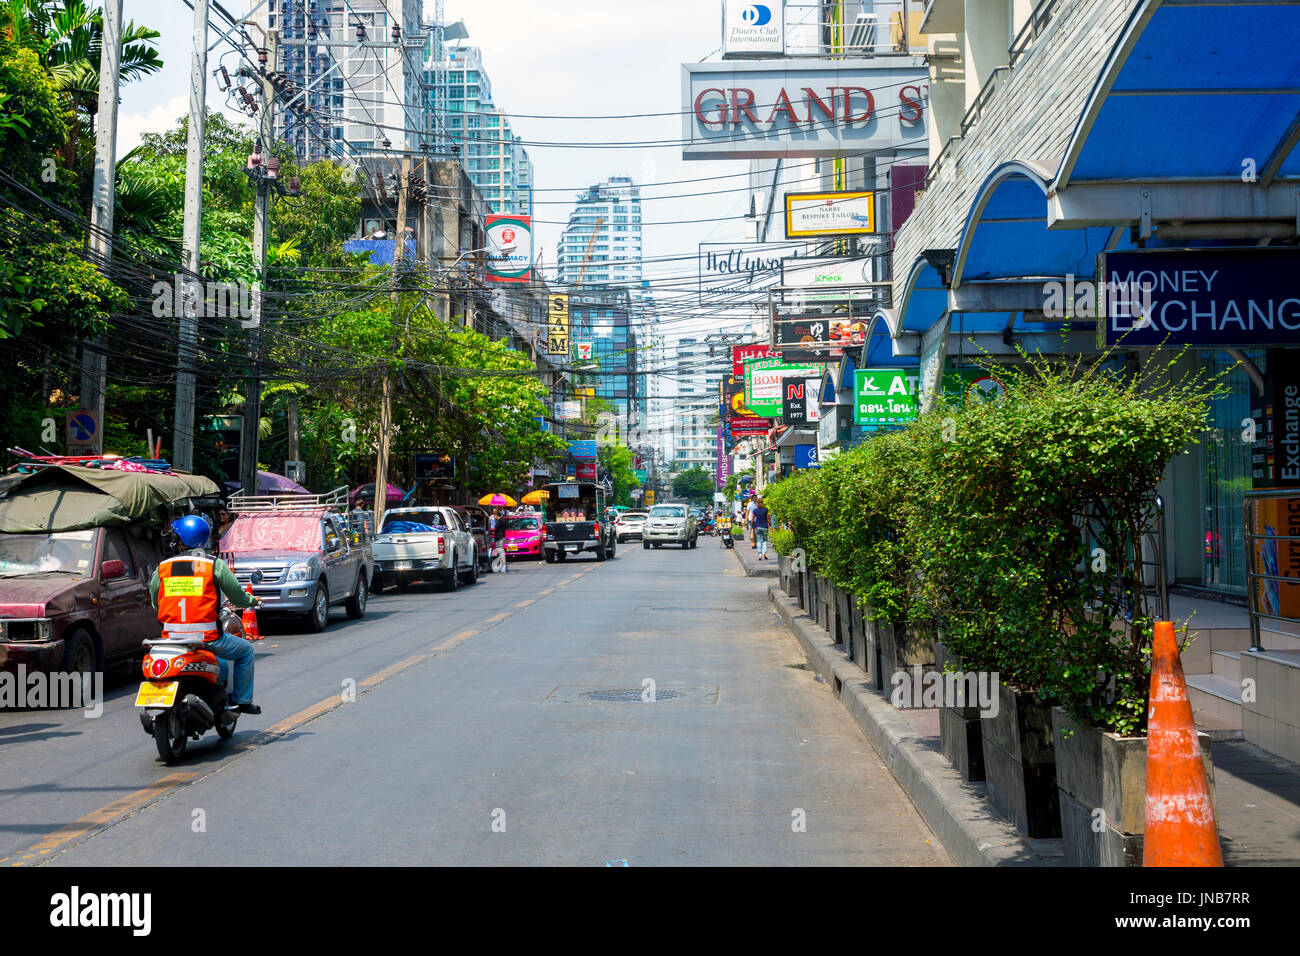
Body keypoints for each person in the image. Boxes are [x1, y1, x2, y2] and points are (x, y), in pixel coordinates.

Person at [150, 514, 263, 714]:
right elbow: (237, 597)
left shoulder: (163, 567)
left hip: (171, 639)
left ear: (180, 540)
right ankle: (242, 700)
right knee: (246, 651)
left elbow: (155, 600)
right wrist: (252, 600)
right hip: (208, 639)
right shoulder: (213, 565)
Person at [753, 496, 771, 560]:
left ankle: (760, 555)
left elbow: (753, 519)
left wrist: (752, 527)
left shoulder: (755, 510)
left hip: (757, 527)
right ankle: (765, 553)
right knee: (765, 541)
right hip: (765, 527)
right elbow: (768, 519)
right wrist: (770, 525)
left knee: (758, 541)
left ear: (757, 503)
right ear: (763, 503)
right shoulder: (766, 510)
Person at [493, 507, 510, 573]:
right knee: (501, 552)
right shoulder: (503, 520)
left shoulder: (499, 521)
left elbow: (495, 528)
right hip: (502, 537)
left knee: (501, 552)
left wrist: (492, 530)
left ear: (497, 515)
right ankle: (503, 566)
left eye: (495, 516)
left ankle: (503, 566)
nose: (494, 517)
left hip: (499, 538)